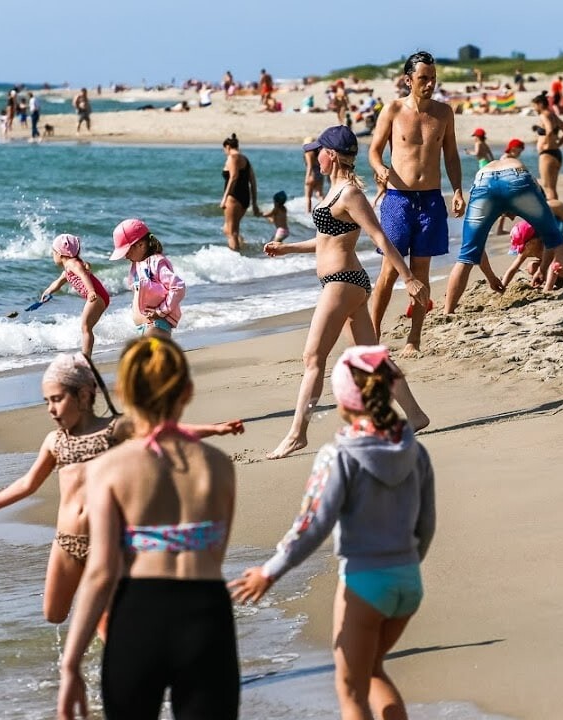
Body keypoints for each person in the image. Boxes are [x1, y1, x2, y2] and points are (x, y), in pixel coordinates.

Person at [230, 345, 435, 719]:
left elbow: (312, 525)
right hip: (408, 581)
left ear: (343, 398)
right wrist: (404, 565)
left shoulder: (339, 455)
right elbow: (426, 524)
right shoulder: (413, 451)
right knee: (372, 671)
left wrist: (269, 571)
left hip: (364, 583)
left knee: (350, 690)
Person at [57, 336, 241, 720]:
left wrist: (71, 664)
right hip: (206, 615)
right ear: (187, 391)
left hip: (140, 616)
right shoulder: (219, 465)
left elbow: (102, 572)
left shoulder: (110, 468)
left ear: (123, 391)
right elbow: (215, 552)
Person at [263, 125, 430, 460]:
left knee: (313, 357)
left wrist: (409, 278)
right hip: (343, 283)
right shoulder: (334, 192)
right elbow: (326, 241)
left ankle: (297, 434)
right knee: (373, 360)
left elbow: (380, 238)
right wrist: (288, 249)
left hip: (344, 282)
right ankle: (415, 415)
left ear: (333, 155)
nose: (315, 158)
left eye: (319, 152)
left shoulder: (350, 195)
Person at [0, 353, 125, 623]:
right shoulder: (54, 441)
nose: (51, 409)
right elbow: (28, 483)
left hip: (107, 542)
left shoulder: (116, 430)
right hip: (66, 542)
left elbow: (164, 436)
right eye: (47, 401)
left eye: (57, 399)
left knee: (104, 617)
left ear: (83, 396)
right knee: (54, 614)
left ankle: (113, 655)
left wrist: (210, 430)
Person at [368, 50, 465, 356]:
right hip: (398, 199)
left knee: (421, 272)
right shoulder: (393, 110)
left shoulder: (443, 113)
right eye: (424, 78)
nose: (429, 84)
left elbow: (450, 155)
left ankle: (415, 337)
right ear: (408, 80)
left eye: (433, 78)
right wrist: (380, 168)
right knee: (390, 271)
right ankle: (373, 334)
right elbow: (373, 151)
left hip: (431, 200)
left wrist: (459, 189)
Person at [443, 146, 563, 314]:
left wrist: (492, 277)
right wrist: (541, 269)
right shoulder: (535, 187)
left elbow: (477, 250)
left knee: (467, 252)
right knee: (556, 238)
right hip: (516, 177)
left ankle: (448, 311)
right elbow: (551, 240)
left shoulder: (486, 172)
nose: (512, 218)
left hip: (483, 181)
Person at [110, 219, 186, 336]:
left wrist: (161, 311)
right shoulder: (137, 264)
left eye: (127, 251)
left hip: (157, 324)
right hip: (144, 327)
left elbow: (178, 286)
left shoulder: (156, 262)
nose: (125, 256)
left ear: (141, 245)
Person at [42, 234, 110, 358]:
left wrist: (90, 291)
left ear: (60, 253)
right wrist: (48, 291)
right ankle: (86, 356)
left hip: (96, 296)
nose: (52, 256)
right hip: (99, 296)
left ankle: (86, 357)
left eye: (53, 252)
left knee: (85, 327)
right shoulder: (69, 268)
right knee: (86, 327)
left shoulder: (73, 264)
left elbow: (83, 276)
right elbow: (58, 283)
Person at [499, 199, 563, 291]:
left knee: (557, 265)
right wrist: (503, 286)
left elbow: (553, 264)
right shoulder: (527, 248)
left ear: (532, 242)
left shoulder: (549, 243)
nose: (521, 250)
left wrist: (548, 288)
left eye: (523, 246)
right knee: (531, 266)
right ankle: (559, 282)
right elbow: (513, 268)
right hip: (557, 270)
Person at [220, 133, 259, 251]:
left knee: (231, 232)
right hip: (244, 198)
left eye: (224, 150)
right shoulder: (245, 159)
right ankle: (242, 247)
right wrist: (254, 203)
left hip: (234, 197)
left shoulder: (233, 158)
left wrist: (224, 198)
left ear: (227, 147)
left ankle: (236, 257)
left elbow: (233, 177)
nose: (224, 152)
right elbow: (253, 181)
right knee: (228, 229)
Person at [531, 91, 563, 200]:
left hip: (547, 154)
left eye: (534, 105)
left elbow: (549, 130)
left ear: (540, 104)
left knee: (548, 187)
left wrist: (546, 145)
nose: (534, 108)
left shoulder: (544, 115)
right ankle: (557, 213)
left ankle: (553, 214)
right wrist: (558, 144)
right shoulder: (552, 115)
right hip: (556, 153)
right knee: (552, 188)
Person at [303, 136, 327, 213]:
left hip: (312, 174)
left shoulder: (308, 153)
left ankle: (308, 213)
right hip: (320, 174)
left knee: (308, 197)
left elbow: (310, 166)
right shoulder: (319, 152)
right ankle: (326, 208)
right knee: (319, 194)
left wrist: (307, 177)